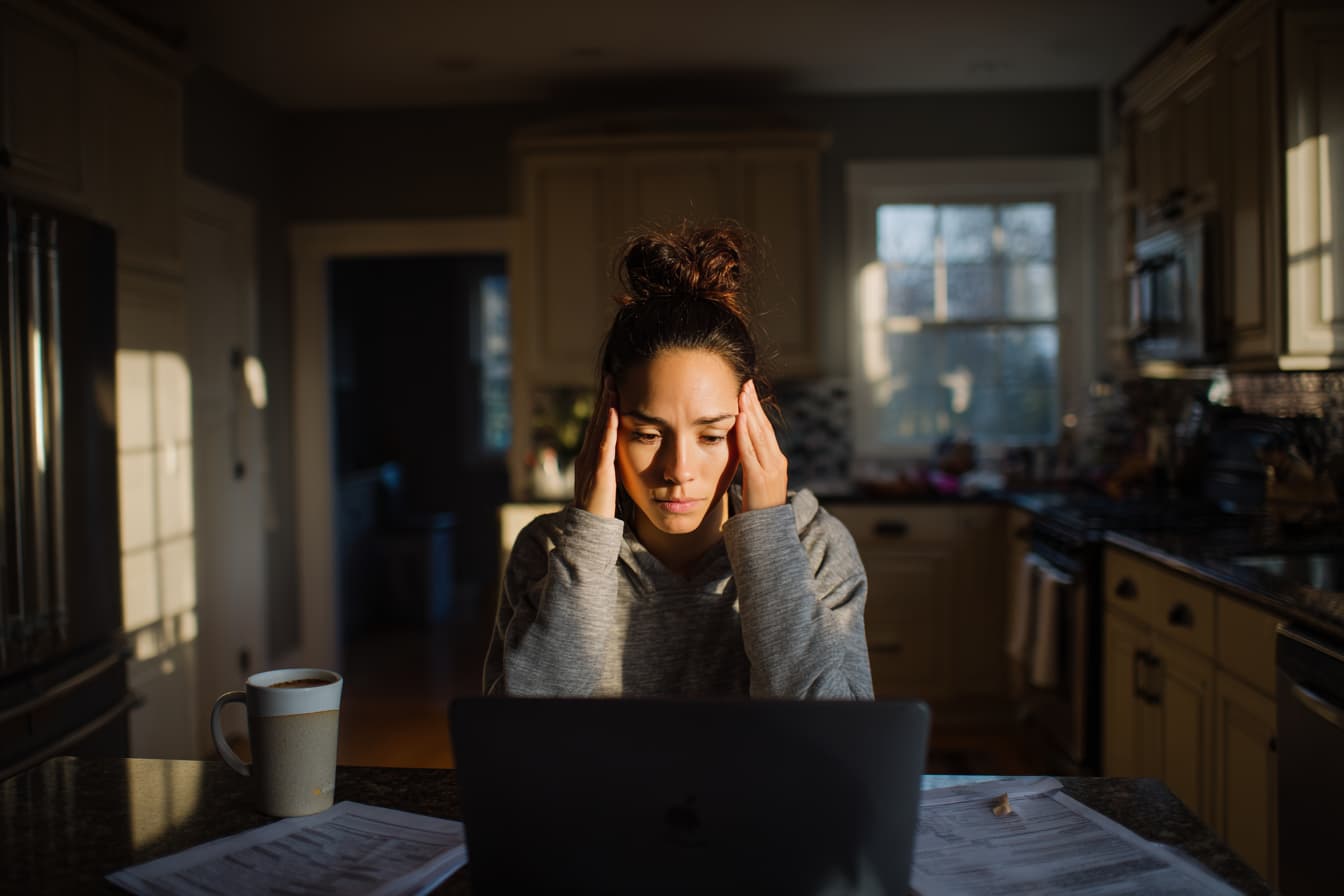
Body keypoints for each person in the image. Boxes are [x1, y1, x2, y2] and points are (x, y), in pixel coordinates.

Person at [483, 222, 872, 699]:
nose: (678, 470)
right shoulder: (546, 551)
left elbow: (832, 734)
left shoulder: (815, 546)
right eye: (647, 434)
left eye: (712, 435)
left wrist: (769, 539)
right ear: (606, 425)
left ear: (750, 426)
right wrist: (587, 539)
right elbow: (523, 734)